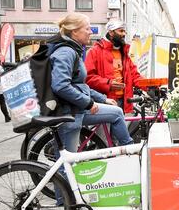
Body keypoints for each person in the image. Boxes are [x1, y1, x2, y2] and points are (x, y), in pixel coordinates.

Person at [50, 13, 133, 155]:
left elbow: (80, 85)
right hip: (69, 112)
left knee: (117, 113)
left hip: (76, 109)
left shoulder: (74, 50)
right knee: (66, 164)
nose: (91, 32)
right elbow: (61, 85)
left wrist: (102, 99)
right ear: (75, 31)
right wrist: (88, 102)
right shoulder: (66, 52)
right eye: (87, 29)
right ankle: (57, 176)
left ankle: (130, 150)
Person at [85, 19, 142, 113]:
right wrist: (108, 84)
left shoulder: (124, 53)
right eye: (121, 31)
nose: (124, 34)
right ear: (111, 32)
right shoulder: (94, 51)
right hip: (104, 101)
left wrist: (150, 86)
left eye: (124, 31)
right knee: (106, 128)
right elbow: (88, 77)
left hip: (124, 101)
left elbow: (134, 75)